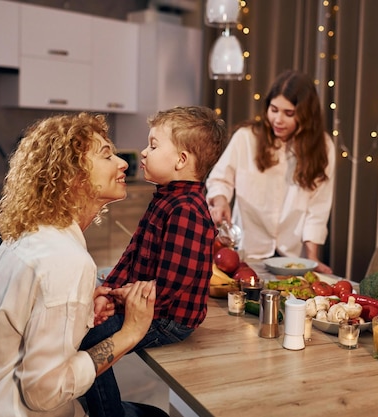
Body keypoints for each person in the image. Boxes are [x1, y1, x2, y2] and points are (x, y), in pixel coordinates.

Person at [0, 113, 167, 417]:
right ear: (72, 176)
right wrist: (131, 332)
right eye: (106, 155)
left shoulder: (31, 233)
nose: (123, 163)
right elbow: (44, 393)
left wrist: (83, 305)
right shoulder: (66, 261)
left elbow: (29, 314)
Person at [80, 106, 229, 417]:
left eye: (153, 145)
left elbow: (170, 286)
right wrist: (109, 291)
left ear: (181, 161)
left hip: (168, 318)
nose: (144, 153)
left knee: (91, 342)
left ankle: (109, 414)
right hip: (150, 306)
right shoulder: (167, 198)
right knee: (84, 330)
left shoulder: (186, 209)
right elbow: (133, 255)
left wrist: (120, 301)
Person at [206, 69, 336, 274]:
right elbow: (220, 179)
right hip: (249, 251)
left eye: (289, 113)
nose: (278, 119)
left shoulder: (324, 147)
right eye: (274, 109)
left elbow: (317, 209)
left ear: (306, 115)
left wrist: (311, 257)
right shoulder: (246, 137)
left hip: (292, 256)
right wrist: (220, 200)